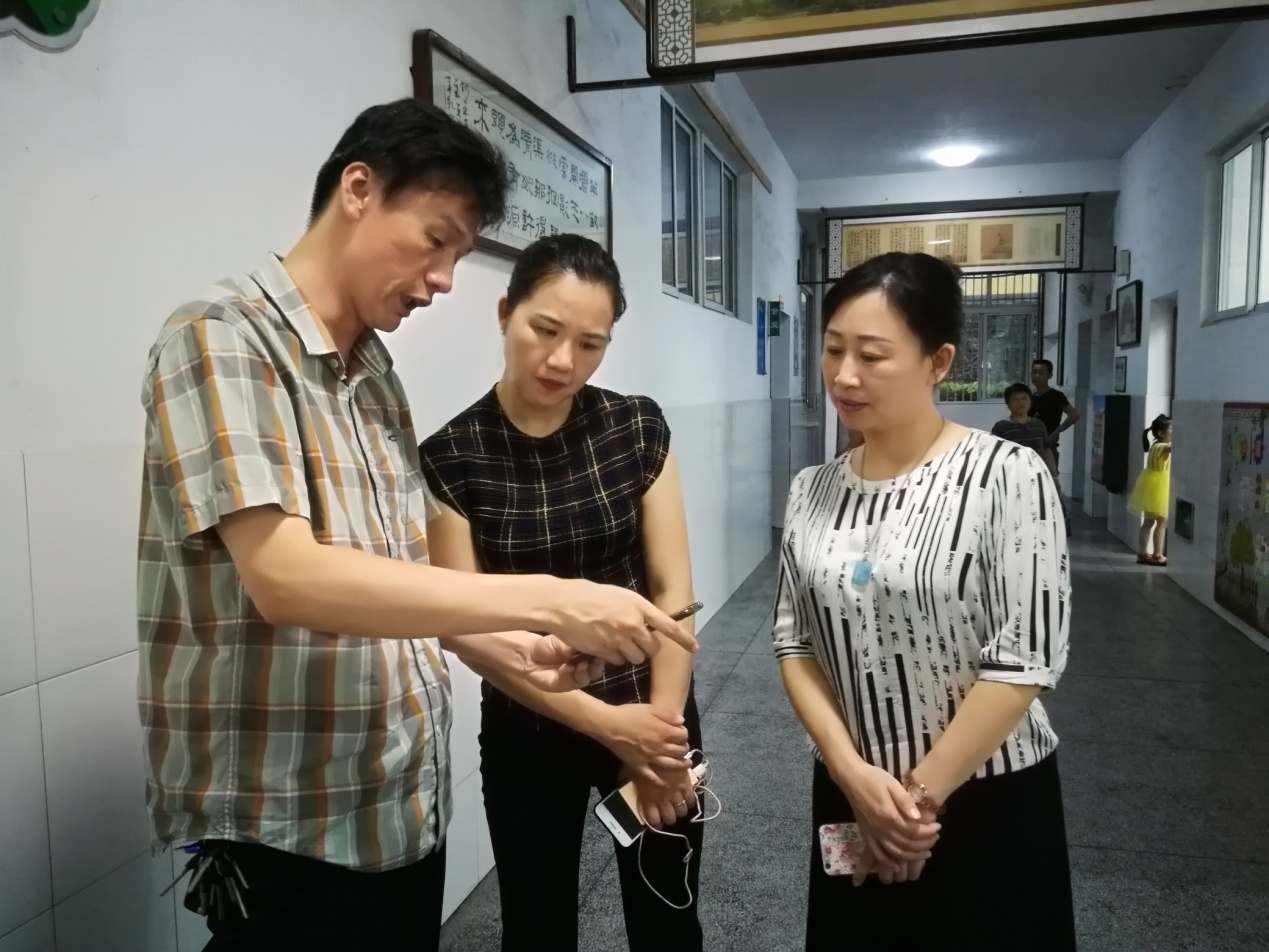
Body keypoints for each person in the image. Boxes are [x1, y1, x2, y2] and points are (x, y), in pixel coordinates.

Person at [137, 101, 694, 952]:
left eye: (457, 256)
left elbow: (414, 591)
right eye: (435, 241)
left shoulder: (373, 375)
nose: (441, 279)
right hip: (290, 815)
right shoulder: (223, 338)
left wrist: (521, 651)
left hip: (395, 802)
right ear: (359, 189)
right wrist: (551, 600)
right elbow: (286, 579)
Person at [774, 252, 1074, 952]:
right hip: (853, 790)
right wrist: (851, 776)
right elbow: (793, 641)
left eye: (872, 355)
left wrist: (913, 803)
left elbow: (1026, 656)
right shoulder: (810, 489)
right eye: (833, 350)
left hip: (984, 794)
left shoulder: (1007, 474)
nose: (844, 376)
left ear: (938, 362)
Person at [420, 234, 704, 952]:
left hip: (653, 705)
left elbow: (673, 590)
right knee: (536, 925)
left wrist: (658, 734)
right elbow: (464, 624)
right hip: (529, 723)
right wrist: (606, 727)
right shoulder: (452, 457)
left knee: (667, 918)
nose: (561, 361)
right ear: (504, 313)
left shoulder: (635, 426)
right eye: (544, 330)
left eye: (589, 344)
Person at [1130, 414, 1173, 566]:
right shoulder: (1162, 447)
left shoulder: (1154, 446)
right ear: (1161, 433)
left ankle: (1142, 553)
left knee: (1148, 522)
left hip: (1149, 485)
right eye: (1172, 429)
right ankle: (1157, 555)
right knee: (1162, 522)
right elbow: (1174, 447)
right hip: (1159, 486)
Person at [992, 382, 1057, 475]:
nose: (1020, 402)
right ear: (1008, 404)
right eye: (1015, 399)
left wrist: (1054, 475)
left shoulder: (1038, 424)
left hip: (1038, 476)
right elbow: (995, 456)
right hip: (1012, 478)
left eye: (1024, 398)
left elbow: (1046, 450)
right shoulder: (1001, 427)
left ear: (1030, 402)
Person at [1030, 358, 1081, 469]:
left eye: (1041, 373)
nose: (1037, 376)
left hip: (1047, 447)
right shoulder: (1030, 398)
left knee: (1048, 477)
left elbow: (1074, 415)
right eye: (1034, 372)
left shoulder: (1056, 396)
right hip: (1030, 447)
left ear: (1050, 375)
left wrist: (1055, 433)